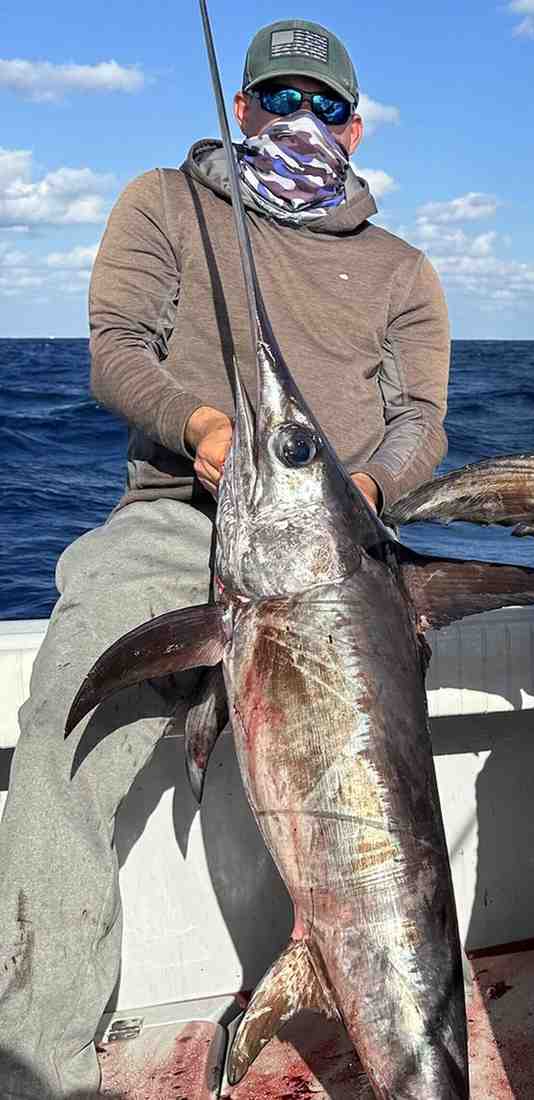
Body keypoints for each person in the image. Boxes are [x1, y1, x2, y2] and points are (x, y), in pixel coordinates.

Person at [0, 19, 449, 1098]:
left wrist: (364, 495)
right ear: (240, 109)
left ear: (356, 122)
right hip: (180, 515)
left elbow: (420, 420)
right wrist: (204, 428)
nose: (301, 122)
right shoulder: (163, 201)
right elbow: (116, 347)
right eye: (278, 99)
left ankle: (409, 1031)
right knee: (63, 730)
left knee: (394, 810)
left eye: (325, 105)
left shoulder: (400, 267)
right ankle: (39, 1065)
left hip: (342, 541)